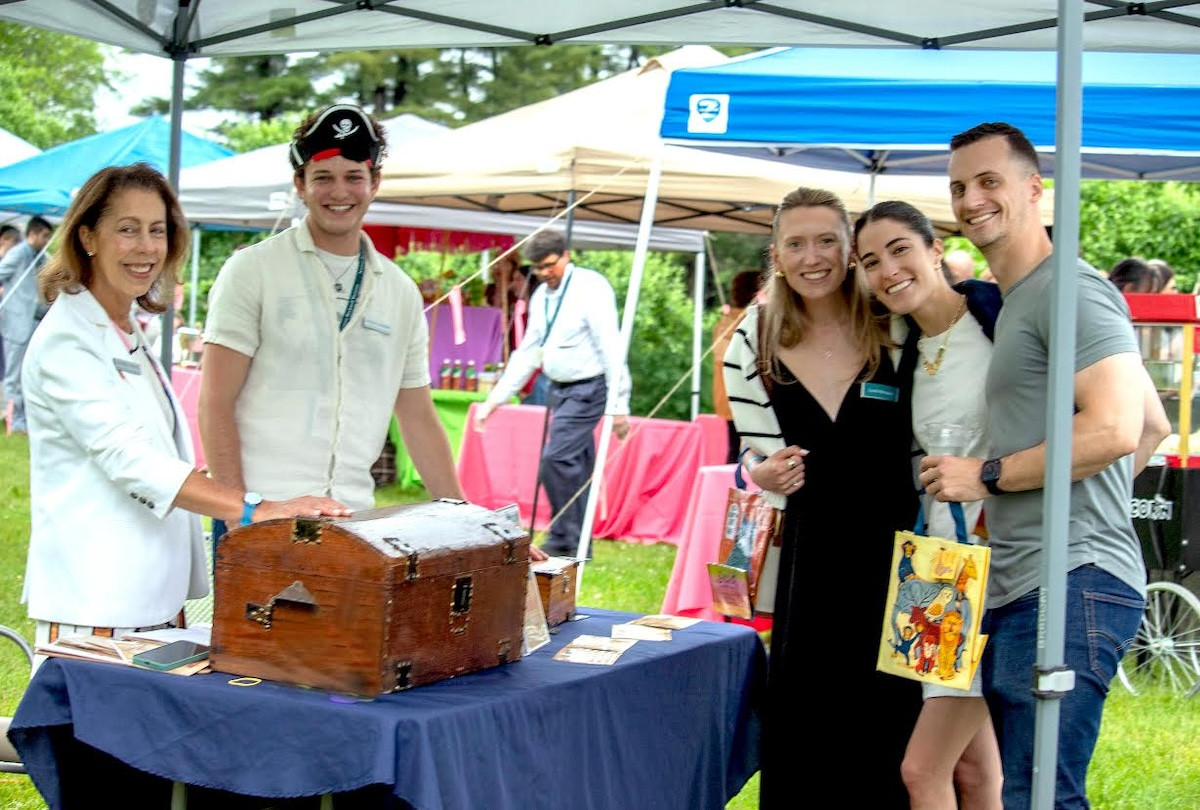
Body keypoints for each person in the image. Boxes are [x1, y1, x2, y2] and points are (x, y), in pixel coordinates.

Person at [921, 122, 1171, 809]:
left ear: (1035, 189)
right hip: (1040, 580)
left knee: (1041, 799)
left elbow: (1118, 427)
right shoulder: (1030, 295)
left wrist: (992, 477)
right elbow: (1152, 423)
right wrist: (1064, 504)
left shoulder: (1070, 290)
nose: (971, 199)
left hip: (1069, 585)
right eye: (959, 186)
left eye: (989, 181)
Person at [20, 163, 349, 657]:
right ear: (87, 236)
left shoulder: (128, 330)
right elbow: (130, 461)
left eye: (158, 230)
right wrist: (255, 510)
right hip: (96, 606)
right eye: (127, 229)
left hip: (153, 600)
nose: (147, 247)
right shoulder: (68, 340)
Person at [722, 187, 921, 807]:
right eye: (796, 243)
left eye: (828, 240)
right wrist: (761, 472)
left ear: (850, 249)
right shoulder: (751, 341)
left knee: (893, 722)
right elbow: (751, 455)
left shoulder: (894, 322)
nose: (814, 257)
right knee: (807, 720)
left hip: (902, 556)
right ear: (776, 254)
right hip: (811, 562)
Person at [200, 103, 466, 542]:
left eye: (353, 177)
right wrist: (239, 514)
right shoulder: (253, 270)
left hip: (352, 523)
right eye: (323, 177)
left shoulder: (400, 292)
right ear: (300, 185)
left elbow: (417, 415)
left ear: (374, 183)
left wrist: (465, 518)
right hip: (262, 515)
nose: (338, 192)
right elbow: (214, 402)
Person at [855, 199, 1003, 810]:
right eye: (869, 260)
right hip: (938, 572)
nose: (887, 269)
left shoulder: (997, 314)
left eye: (898, 249)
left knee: (921, 772)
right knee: (974, 773)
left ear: (936, 248)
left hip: (997, 569)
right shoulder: (908, 348)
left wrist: (998, 486)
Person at [474, 229, 631, 558]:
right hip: (559, 390)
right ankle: (579, 540)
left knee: (556, 459)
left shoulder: (591, 287)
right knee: (575, 465)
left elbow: (610, 347)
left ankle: (566, 539)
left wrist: (619, 405)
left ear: (566, 255)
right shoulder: (541, 296)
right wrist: (495, 400)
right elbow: (528, 351)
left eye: (549, 265)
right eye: (538, 268)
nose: (544, 273)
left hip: (590, 388)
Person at [0, 215, 54, 435]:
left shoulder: (42, 257)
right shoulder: (18, 254)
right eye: (44, 236)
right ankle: (14, 421)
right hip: (16, 325)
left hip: (34, 324)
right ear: (32, 234)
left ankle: (24, 419)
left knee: (29, 374)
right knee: (14, 376)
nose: (47, 240)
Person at [712, 269, 760, 463]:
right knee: (744, 450)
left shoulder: (724, 322)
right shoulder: (752, 322)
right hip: (745, 394)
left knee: (735, 447)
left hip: (727, 395)